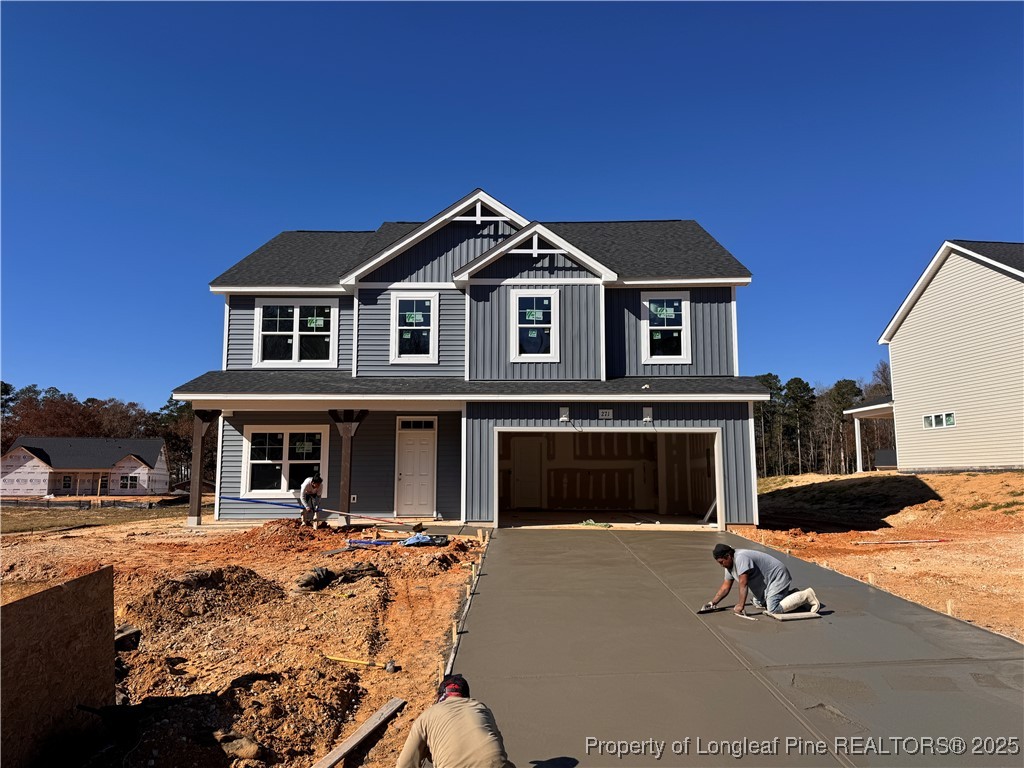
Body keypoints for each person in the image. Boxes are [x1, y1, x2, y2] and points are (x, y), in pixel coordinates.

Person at [396, 674, 516, 768]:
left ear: (440, 697)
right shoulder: (480, 707)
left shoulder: (425, 717)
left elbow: (404, 764)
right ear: (466, 696)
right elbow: (499, 744)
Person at [704, 543, 820, 615]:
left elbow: (743, 584)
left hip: (777, 576)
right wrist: (712, 603)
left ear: (728, 556)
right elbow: (725, 587)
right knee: (759, 603)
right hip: (767, 581)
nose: (721, 565)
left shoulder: (741, 558)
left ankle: (806, 595)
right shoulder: (728, 565)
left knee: (772, 608)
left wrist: (740, 605)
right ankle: (793, 595)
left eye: (721, 562)